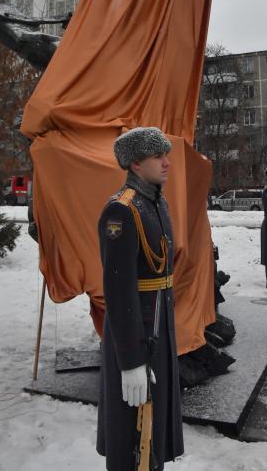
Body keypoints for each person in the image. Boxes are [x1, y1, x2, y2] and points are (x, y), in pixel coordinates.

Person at [96, 127, 184, 471]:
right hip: (136, 334)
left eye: (166, 155)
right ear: (135, 163)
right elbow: (118, 293)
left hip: (158, 328)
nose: (166, 162)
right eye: (157, 157)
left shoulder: (155, 203)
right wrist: (130, 361)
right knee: (131, 433)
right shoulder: (122, 211)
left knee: (153, 426)